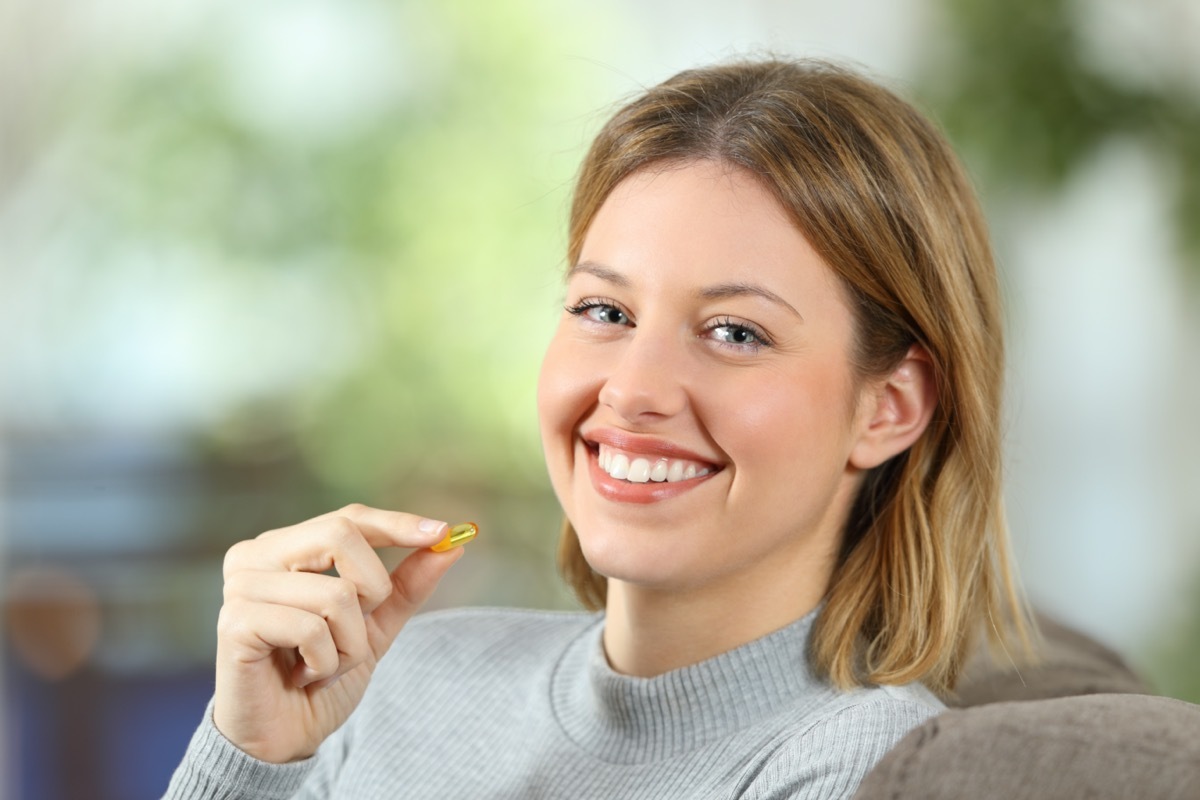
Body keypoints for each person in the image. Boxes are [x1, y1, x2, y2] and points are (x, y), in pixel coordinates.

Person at [165, 57, 1030, 799]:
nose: (633, 390)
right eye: (605, 310)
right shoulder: (406, 677)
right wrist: (251, 761)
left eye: (735, 332)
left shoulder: (867, 767)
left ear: (890, 407)